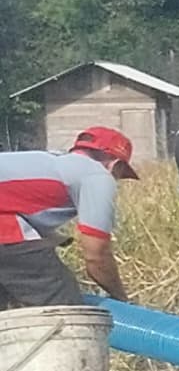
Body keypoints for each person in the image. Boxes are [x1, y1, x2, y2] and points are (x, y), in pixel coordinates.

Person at [0, 127, 135, 306]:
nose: (117, 180)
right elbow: (97, 255)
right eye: (121, 175)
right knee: (63, 308)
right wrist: (121, 298)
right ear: (116, 164)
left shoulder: (47, 161)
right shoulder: (96, 174)